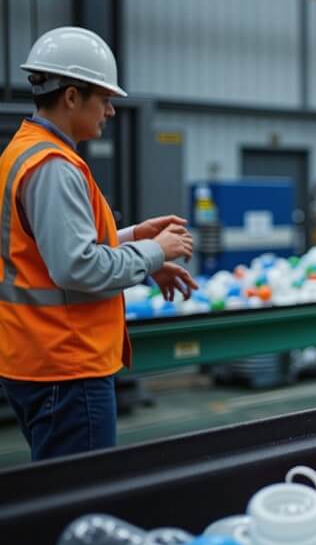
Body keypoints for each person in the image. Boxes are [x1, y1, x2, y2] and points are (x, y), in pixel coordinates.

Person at [0, 27, 198, 461]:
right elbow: (77, 266)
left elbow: (49, 249)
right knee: (82, 493)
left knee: (61, 488)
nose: (110, 110)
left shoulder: (25, 152)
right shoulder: (53, 166)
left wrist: (135, 238)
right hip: (66, 365)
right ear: (72, 97)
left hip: (38, 358)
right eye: (104, 98)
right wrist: (155, 252)